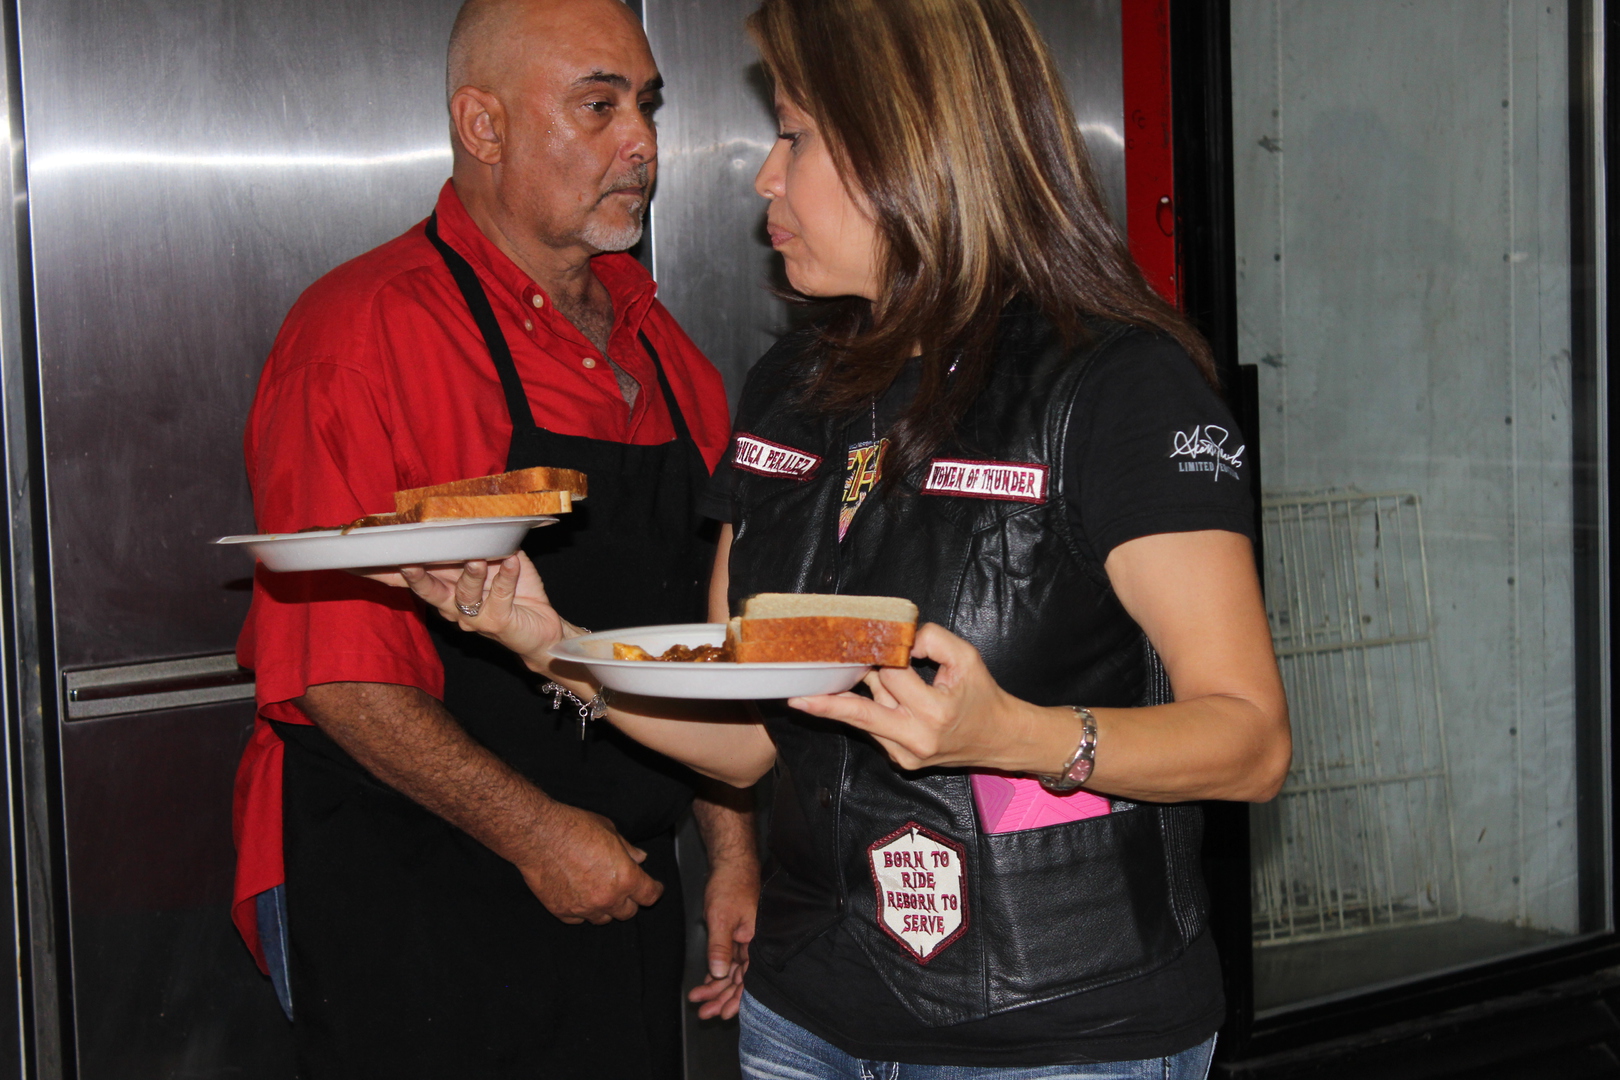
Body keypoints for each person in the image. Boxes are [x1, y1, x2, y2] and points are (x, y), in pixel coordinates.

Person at [397, 0, 1291, 1077]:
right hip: (807, 1020)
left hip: (1056, 1034)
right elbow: (748, 735)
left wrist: (1014, 735)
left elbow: (1251, 742)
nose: (764, 177)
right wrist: (549, 644)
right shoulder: (791, 387)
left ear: (911, 144)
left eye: (795, 136)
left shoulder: (1112, 386)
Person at [230, 1, 759, 1076]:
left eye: (647, 106)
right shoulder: (363, 338)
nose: (642, 143)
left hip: (622, 877)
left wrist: (731, 848)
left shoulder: (669, 356)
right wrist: (540, 835)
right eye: (598, 106)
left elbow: (707, 652)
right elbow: (340, 677)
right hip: (412, 886)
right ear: (484, 126)